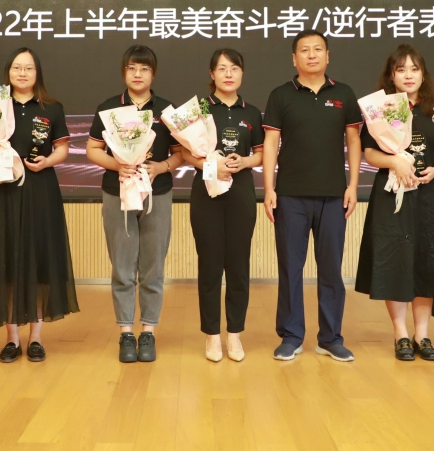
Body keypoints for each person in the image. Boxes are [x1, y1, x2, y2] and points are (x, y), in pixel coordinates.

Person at [0, 48, 80, 362]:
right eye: (17, 67)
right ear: (9, 72)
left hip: (41, 190)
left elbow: (62, 149)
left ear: (37, 73)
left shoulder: (52, 108)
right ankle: (12, 338)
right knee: (7, 261)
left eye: (28, 68)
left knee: (39, 261)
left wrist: (47, 162)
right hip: (4, 189)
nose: (22, 73)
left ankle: (36, 338)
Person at [355, 45, 434, 361]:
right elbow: (369, 153)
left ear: (423, 74)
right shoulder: (382, 110)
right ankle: (401, 334)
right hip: (392, 193)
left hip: (429, 194)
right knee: (395, 259)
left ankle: (422, 335)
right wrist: (394, 162)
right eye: (401, 69)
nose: (408, 75)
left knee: (427, 259)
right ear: (391, 75)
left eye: (414, 69)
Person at [262, 30, 363, 362]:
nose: (311, 55)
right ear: (294, 59)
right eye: (304, 50)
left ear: (328, 55)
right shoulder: (280, 95)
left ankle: (330, 337)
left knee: (331, 268)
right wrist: (269, 189)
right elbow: (271, 145)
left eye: (318, 49)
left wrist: (352, 185)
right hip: (290, 196)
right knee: (291, 268)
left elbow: (353, 142)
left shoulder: (344, 94)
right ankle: (291, 336)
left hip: (334, 196)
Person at [86, 45, 184, 363]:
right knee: (122, 266)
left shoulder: (167, 110)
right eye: (132, 68)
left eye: (144, 68)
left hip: (158, 194)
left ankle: (148, 332)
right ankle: (126, 332)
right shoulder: (109, 108)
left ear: (153, 74)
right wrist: (118, 165)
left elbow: (182, 153)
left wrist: (162, 167)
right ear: (124, 72)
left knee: (153, 266)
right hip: (118, 194)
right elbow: (92, 150)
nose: (137, 74)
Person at [180, 49, 264, 362]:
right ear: (212, 74)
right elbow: (184, 152)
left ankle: (235, 334)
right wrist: (209, 165)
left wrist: (244, 162)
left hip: (241, 190)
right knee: (210, 264)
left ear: (242, 73)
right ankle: (212, 336)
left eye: (234, 68)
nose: (229, 74)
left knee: (239, 266)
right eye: (222, 68)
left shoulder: (252, 112)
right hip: (206, 190)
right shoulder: (199, 110)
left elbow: (260, 154)